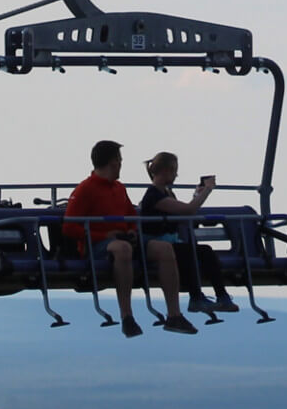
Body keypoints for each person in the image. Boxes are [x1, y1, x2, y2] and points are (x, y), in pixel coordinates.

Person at [64, 139, 197, 337]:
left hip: (124, 239)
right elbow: (69, 227)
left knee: (164, 249)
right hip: (98, 245)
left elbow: (131, 216)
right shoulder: (85, 189)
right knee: (122, 249)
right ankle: (127, 316)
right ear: (113, 162)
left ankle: (174, 314)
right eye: (119, 160)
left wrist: (133, 230)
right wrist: (103, 235)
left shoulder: (119, 188)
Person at [138, 151, 240, 314]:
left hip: (171, 242)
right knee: (187, 252)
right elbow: (189, 210)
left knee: (205, 251)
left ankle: (222, 296)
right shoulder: (153, 196)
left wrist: (196, 196)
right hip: (157, 244)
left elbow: (181, 212)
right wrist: (207, 190)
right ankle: (196, 297)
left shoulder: (166, 193)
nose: (176, 175)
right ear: (166, 170)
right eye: (174, 170)